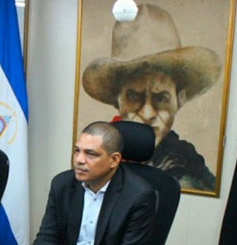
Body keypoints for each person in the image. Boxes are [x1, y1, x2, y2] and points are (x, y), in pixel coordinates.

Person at [81, 4, 221, 191]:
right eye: (133, 96)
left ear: (178, 100)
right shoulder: (94, 162)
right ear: (117, 100)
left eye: (161, 98)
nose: (147, 113)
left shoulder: (193, 170)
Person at [32, 122, 156, 245]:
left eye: (90, 154)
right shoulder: (62, 184)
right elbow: (47, 236)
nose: (79, 160)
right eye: (77, 151)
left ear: (114, 160)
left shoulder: (139, 195)